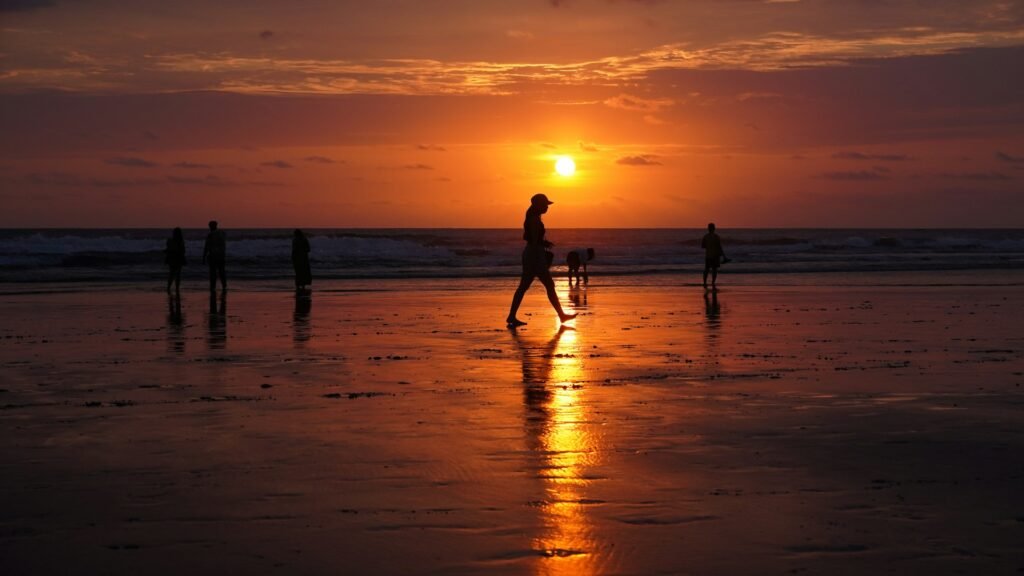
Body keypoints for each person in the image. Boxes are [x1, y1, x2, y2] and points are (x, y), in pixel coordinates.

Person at [506, 193, 578, 328]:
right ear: (538, 205)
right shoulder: (534, 219)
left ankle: (512, 316)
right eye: (545, 205)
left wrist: (544, 244)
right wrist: (540, 257)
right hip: (534, 256)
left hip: (531, 254)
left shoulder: (532, 217)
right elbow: (534, 242)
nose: (547, 207)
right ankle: (561, 315)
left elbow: (532, 239)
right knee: (547, 285)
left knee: (525, 287)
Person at [701, 222, 730, 290]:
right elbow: (719, 247)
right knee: (714, 270)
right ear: (714, 228)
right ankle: (713, 282)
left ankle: (704, 282)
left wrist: (709, 246)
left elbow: (703, 246)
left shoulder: (705, 236)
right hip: (715, 256)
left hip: (708, 255)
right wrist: (724, 256)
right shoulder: (716, 237)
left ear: (708, 228)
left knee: (706, 269)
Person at [202, 220, 227, 293]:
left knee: (213, 273)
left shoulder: (210, 235)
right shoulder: (222, 233)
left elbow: (207, 246)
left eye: (210, 226)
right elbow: (223, 245)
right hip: (221, 256)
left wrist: (204, 256)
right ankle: (224, 286)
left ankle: (213, 287)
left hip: (213, 256)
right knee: (222, 272)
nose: (209, 227)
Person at [165, 227, 186, 294]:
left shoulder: (169, 240)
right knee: (178, 274)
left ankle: (168, 287)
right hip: (178, 258)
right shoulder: (181, 241)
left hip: (171, 258)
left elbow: (168, 249)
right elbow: (183, 251)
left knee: (171, 273)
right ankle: (177, 288)